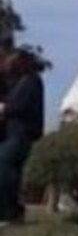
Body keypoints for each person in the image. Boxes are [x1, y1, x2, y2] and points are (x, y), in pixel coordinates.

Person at [0, 49, 46, 226]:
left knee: (5, 169)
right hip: (14, 132)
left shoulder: (31, 81)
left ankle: (9, 212)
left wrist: (4, 109)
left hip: (20, 133)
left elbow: (20, 105)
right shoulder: (21, 82)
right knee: (10, 172)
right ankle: (12, 211)